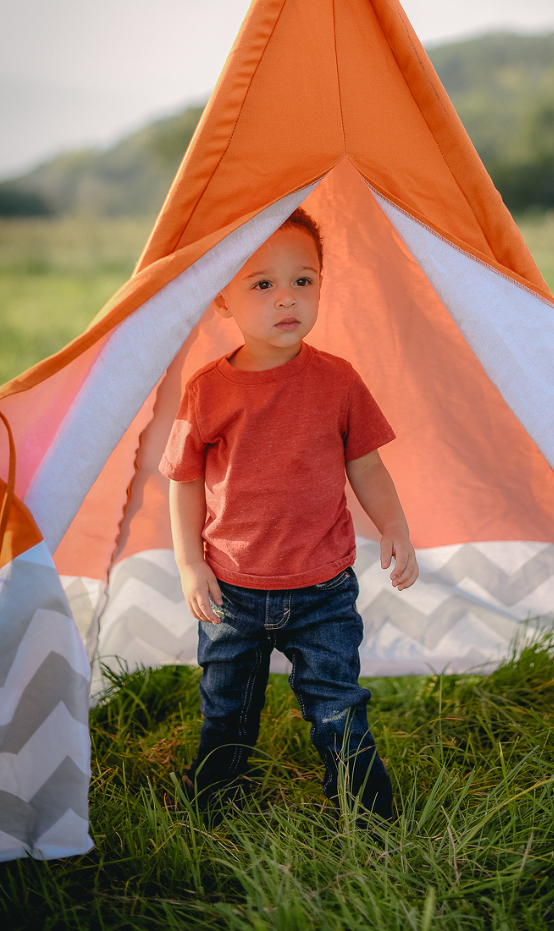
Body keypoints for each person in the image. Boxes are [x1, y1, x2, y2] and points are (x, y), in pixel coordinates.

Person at [159, 207, 418, 820]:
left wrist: (396, 527)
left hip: (323, 588)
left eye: (303, 280)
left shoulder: (337, 380)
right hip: (231, 589)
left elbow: (368, 467)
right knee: (227, 705)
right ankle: (216, 798)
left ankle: (364, 807)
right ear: (223, 297)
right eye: (262, 283)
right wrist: (190, 564)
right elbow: (184, 481)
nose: (287, 299)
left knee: (337, 701)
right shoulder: (208, 390)